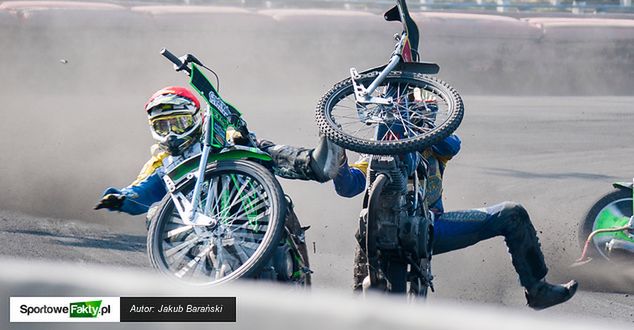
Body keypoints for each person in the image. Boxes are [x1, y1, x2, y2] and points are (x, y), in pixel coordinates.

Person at [332, 96, 578, 310]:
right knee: (361, 308)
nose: (420, 120)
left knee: (512, 213)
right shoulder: (376, 153)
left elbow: (451, 144)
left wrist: (420, 128)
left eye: (423, 115)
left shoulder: (436, 148)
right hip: (375, 235)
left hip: (431, 228)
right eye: (414, 114)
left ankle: (537, 289)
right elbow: (347, 187)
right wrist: (338, 158)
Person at [95, 86, 343, 281]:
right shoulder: (162, 163)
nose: (171, 133)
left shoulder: (216, 135)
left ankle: (315, 163)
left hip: (252, 211)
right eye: (163, 126)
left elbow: (249, 144)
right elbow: (143, 189)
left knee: (259, 147)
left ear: (195, 118)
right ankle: (201, 272)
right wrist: (122, 198)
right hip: (204, 234)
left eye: (178, 123)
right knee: (153, 214)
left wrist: (242, 140)